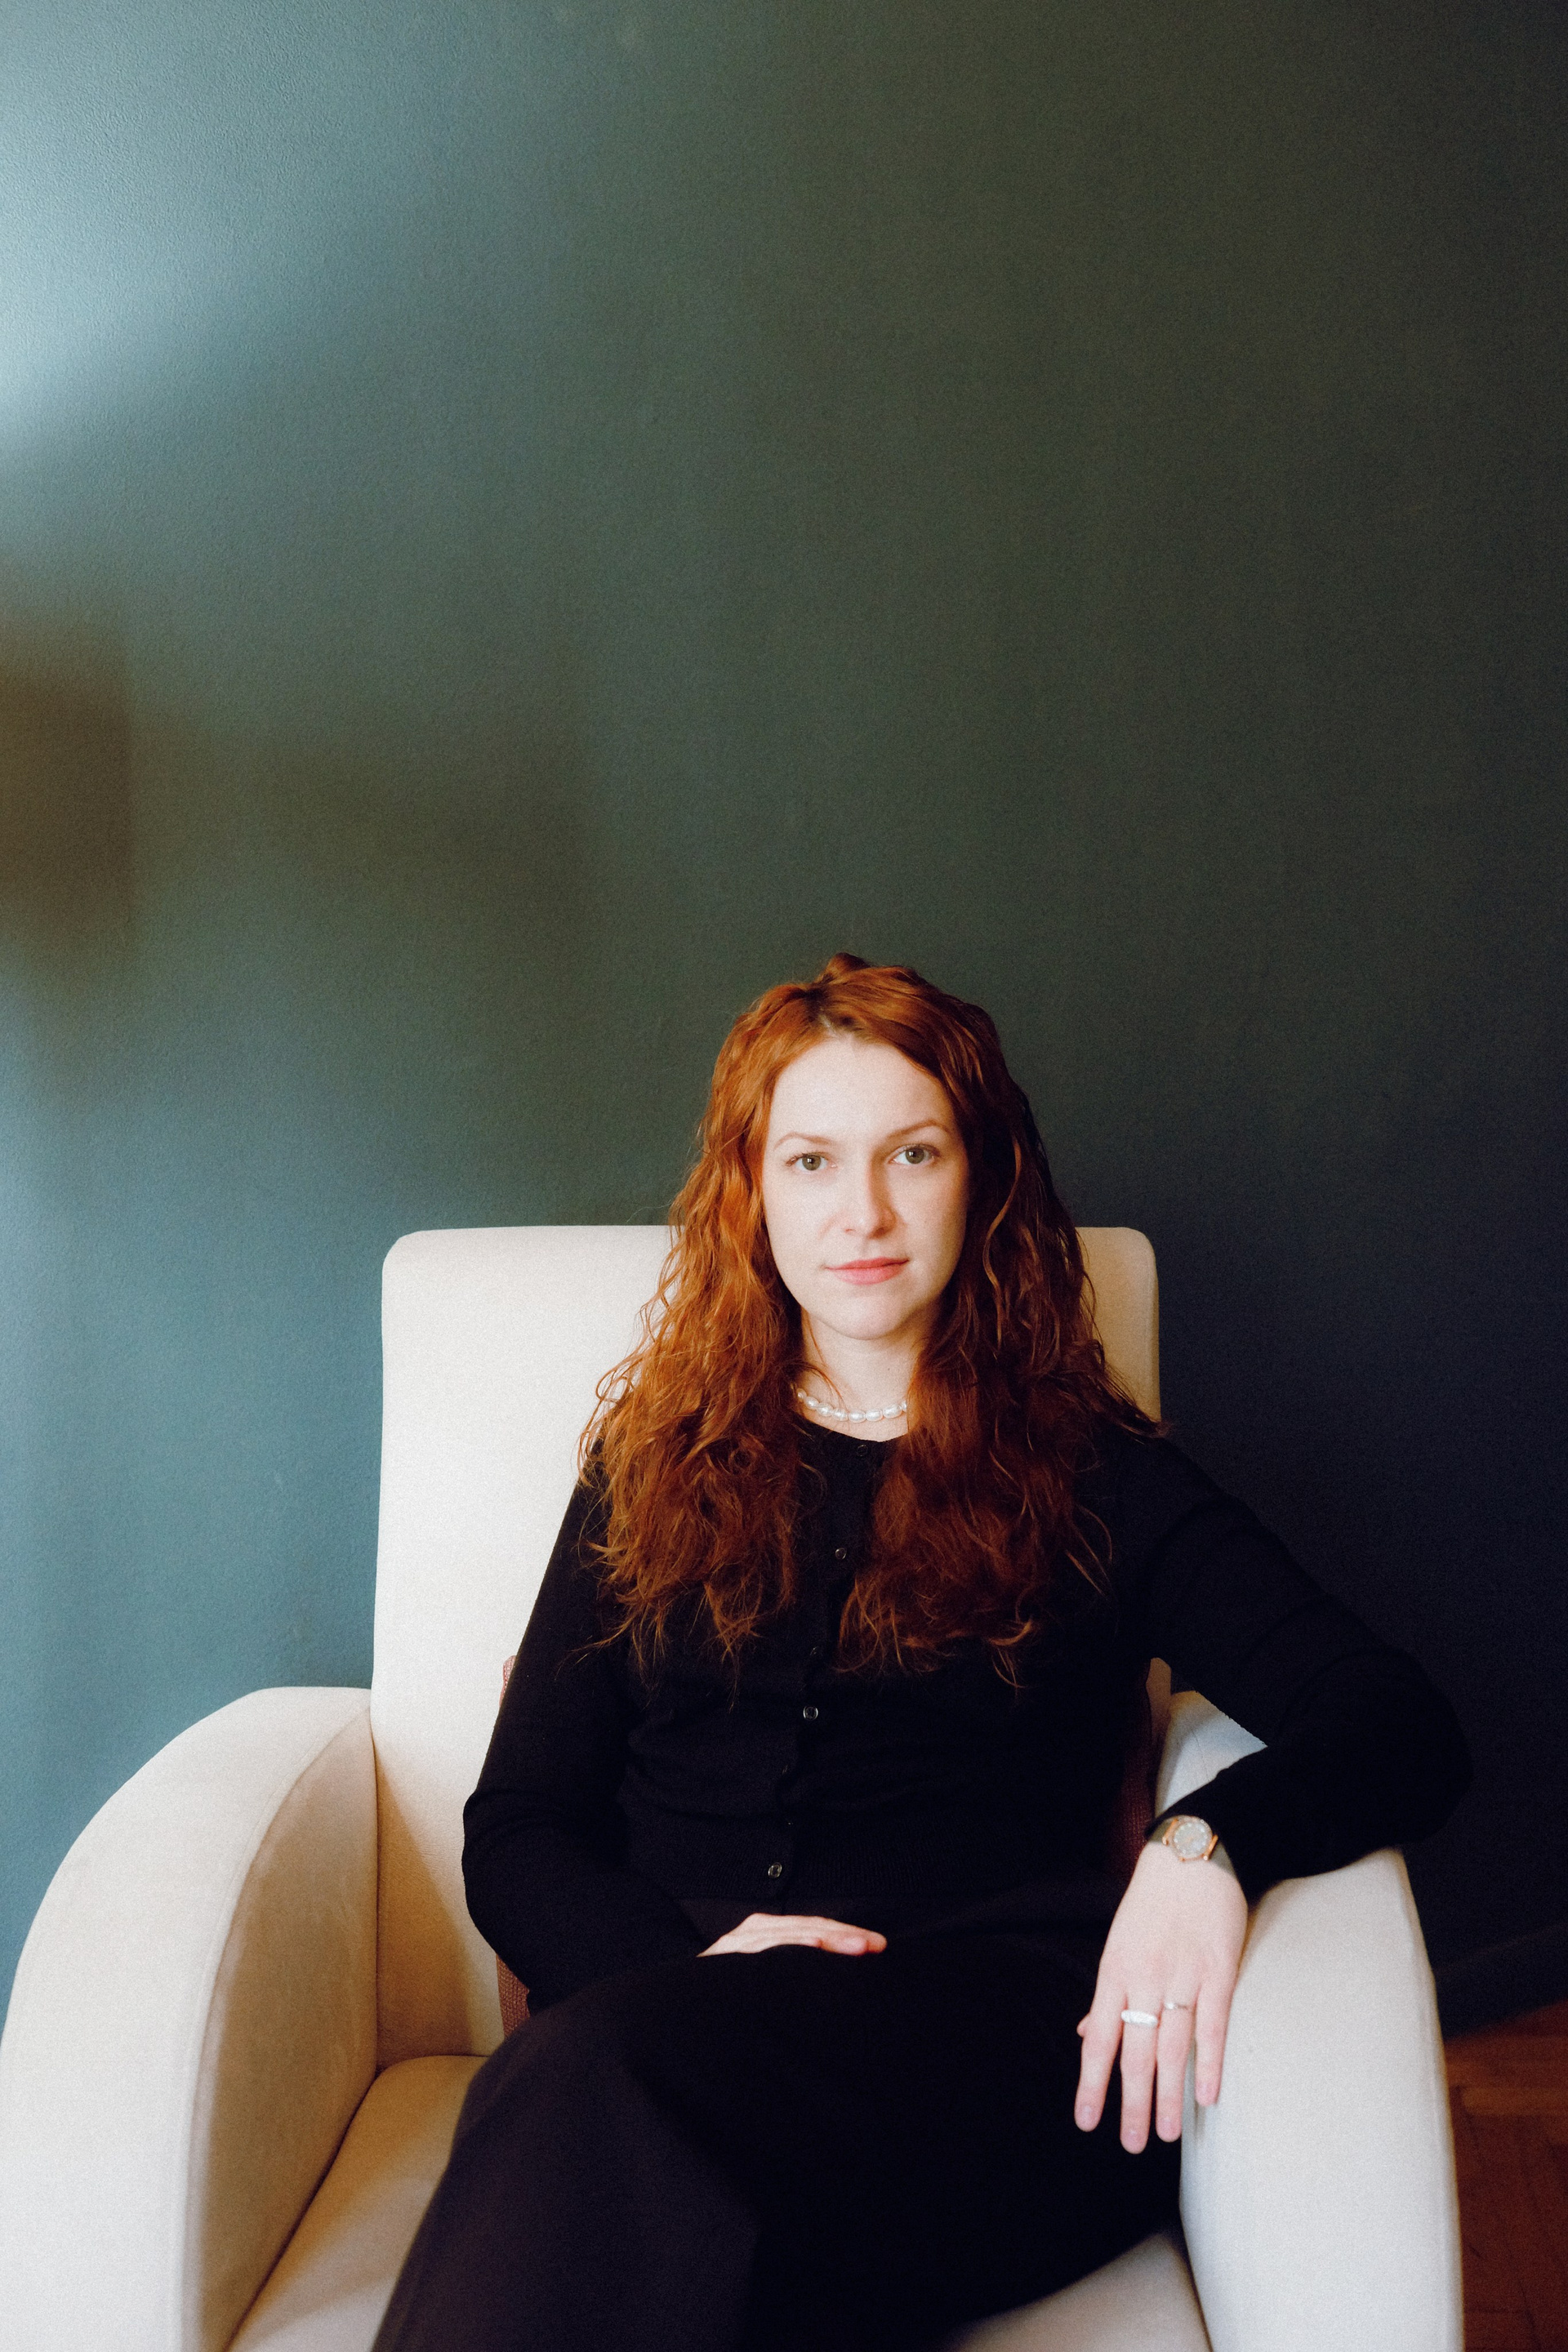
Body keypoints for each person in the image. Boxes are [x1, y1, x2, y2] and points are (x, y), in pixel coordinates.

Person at [375, 953, 1469, 2352]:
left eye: (914, 1153)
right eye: (813, 1162)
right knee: (610, 2127)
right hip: (662, 2049)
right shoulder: (653, 1466)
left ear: (983, 1176)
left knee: (583, 2106)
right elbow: (520, 1827)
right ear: (752, 1192)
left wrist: (1207, 1848)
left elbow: (1397, 1721)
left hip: (987, 2071)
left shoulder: (1099, 1477)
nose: (866, 1214)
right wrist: (688, 1961)